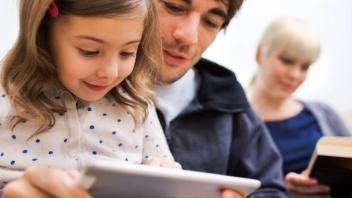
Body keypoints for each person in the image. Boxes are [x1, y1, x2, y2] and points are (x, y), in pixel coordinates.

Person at [0, 0, 180, 197]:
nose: (110, 72)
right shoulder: (5, 97)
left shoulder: (138, 105)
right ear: (42, 34)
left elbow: (166, 175)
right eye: (90, 51)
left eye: (127, 53)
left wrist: (166, 174)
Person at [154, 0, 287, 197]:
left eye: (210, 22)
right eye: (174, 7)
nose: (189, 36)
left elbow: (271, 190)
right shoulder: (93, 94)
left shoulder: (232, 108)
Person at [248, 16, 351, 197]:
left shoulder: (324, 114)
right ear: (259, 55)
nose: (295, 74)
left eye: (304, 67)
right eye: (287, 61)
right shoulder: (235, 122)